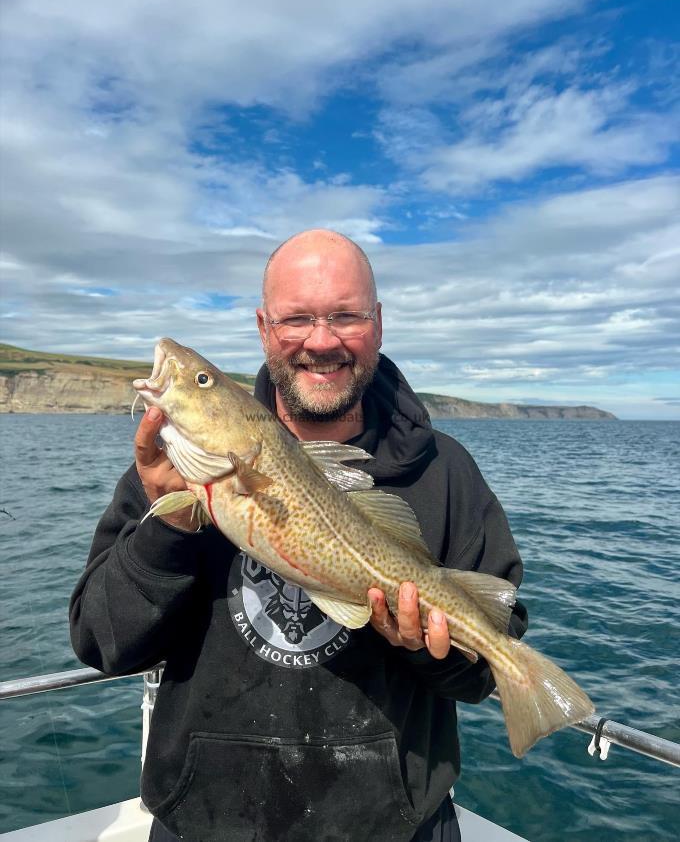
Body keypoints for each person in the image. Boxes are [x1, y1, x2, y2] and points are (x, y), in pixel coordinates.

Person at [70, 229, 527, 842]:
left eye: (345, 316)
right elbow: (101, 643)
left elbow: (481, 677)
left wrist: (422, 642)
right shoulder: (168, 472)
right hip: (206, 824)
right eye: (297, 319)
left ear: (379, 323)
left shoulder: (446, 473)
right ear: (264, 328)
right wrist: (170, 522)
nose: (321, 340)